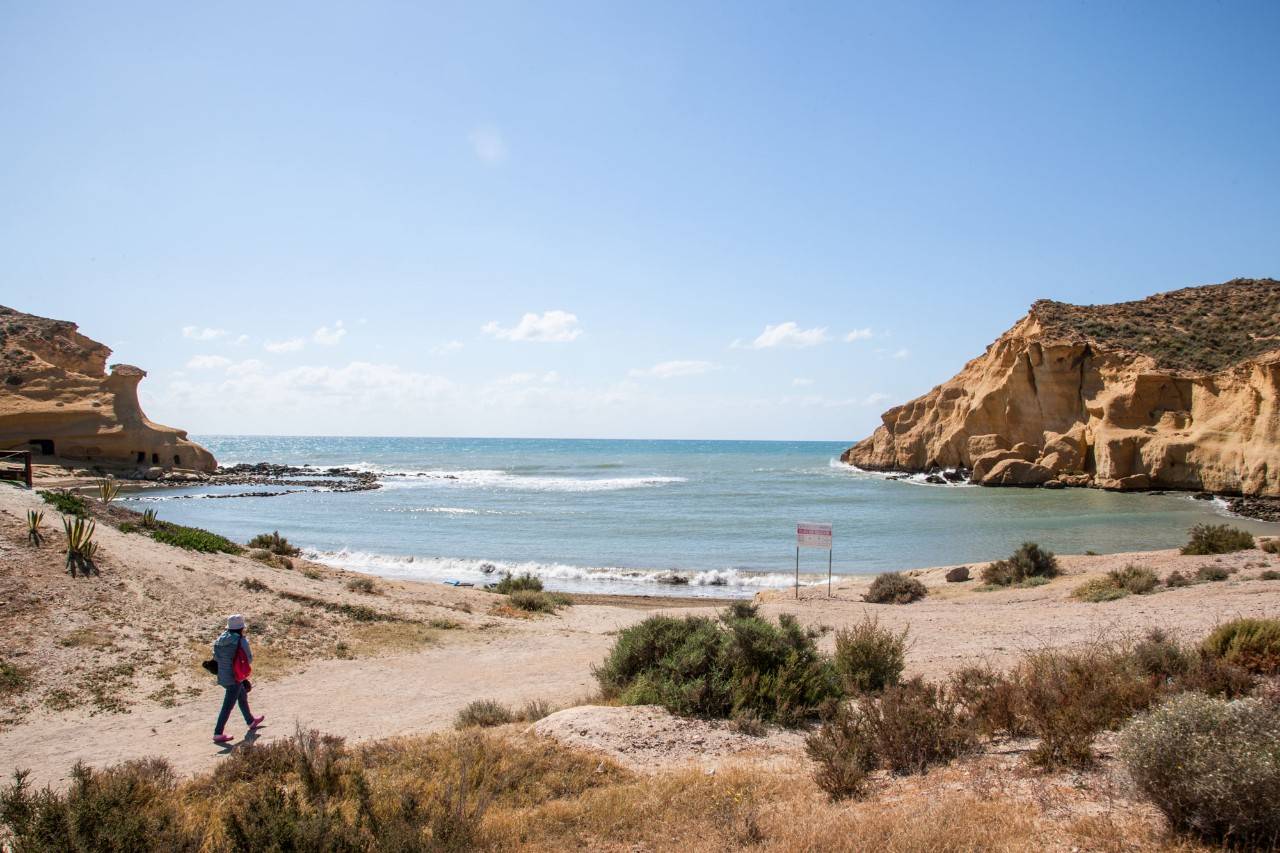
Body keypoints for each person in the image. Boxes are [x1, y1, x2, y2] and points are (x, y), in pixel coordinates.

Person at [212, 613, 264, 744]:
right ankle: (218, 733)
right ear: (241, 628)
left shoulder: (220, 639)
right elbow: (249, 659)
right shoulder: (240, 641)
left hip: (222, 675)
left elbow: (216, 658)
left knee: (242, 696)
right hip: (235, 677)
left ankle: (251, 721)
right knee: (227, 706)